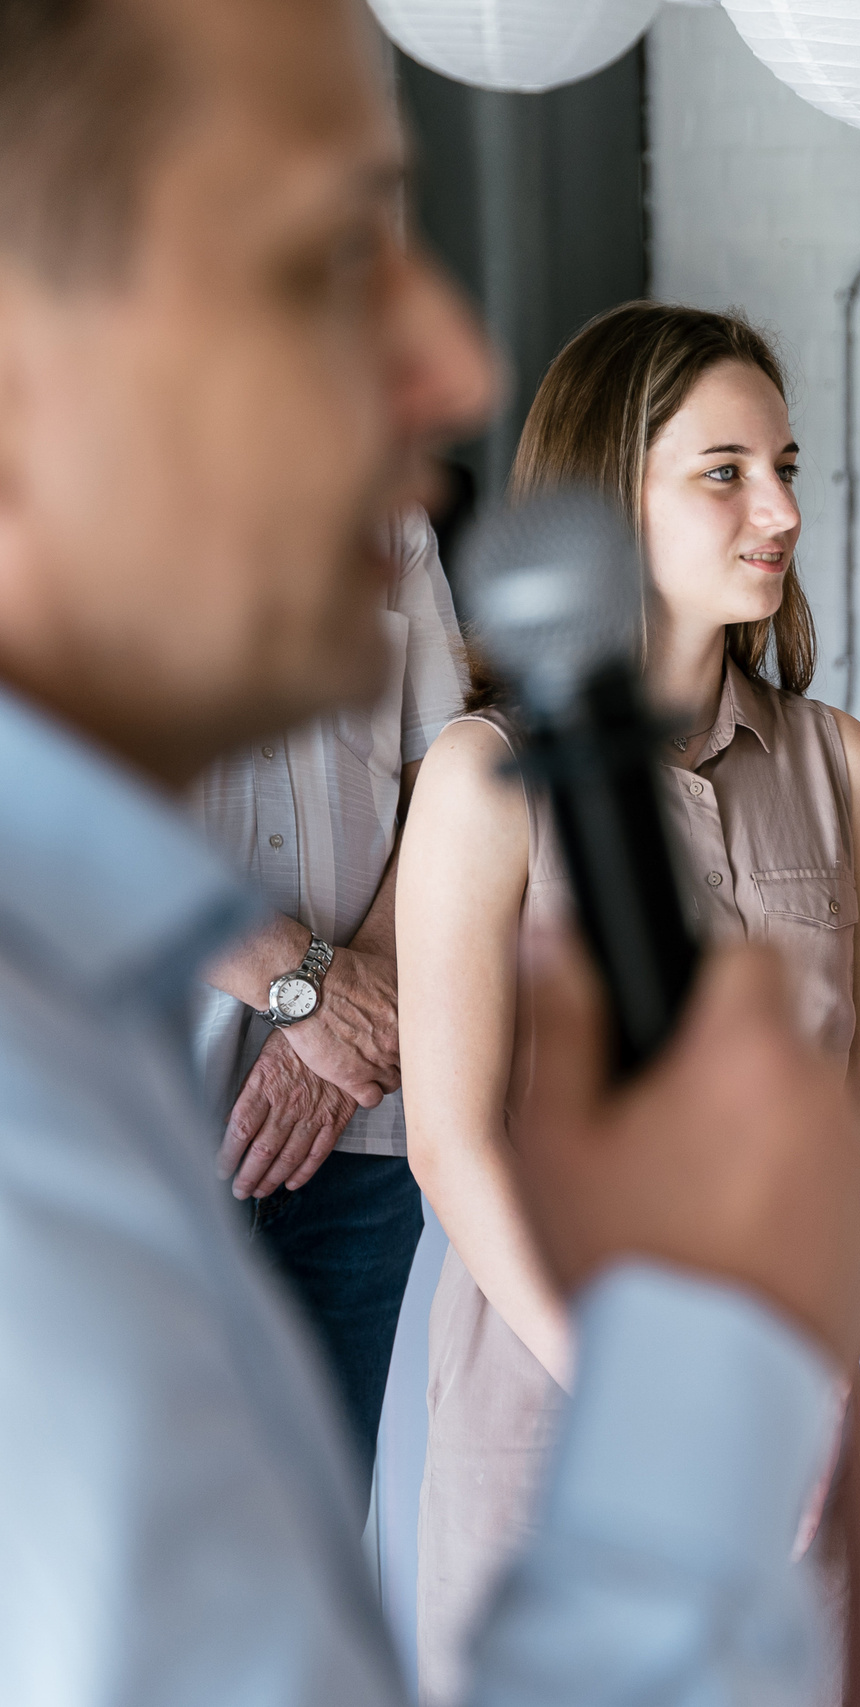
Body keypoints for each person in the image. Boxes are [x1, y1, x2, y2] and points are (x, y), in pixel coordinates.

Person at [0, 0, 860, 1700]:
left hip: (352, 1114)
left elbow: (429, 777)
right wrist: (291, 985)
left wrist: (353, 1025)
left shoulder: (392, 511)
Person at [400, 302, 860, 1707]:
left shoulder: (845, 765)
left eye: (787, 464)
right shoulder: (482, 773)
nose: (783, 509)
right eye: (727, 470)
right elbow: (454, 1141)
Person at [188, 505, 464, 1471]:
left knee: (312, 1549)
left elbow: (449, 775)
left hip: (354, 1136)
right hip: (136, 1119)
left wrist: (350, 1008)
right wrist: (299, 987)